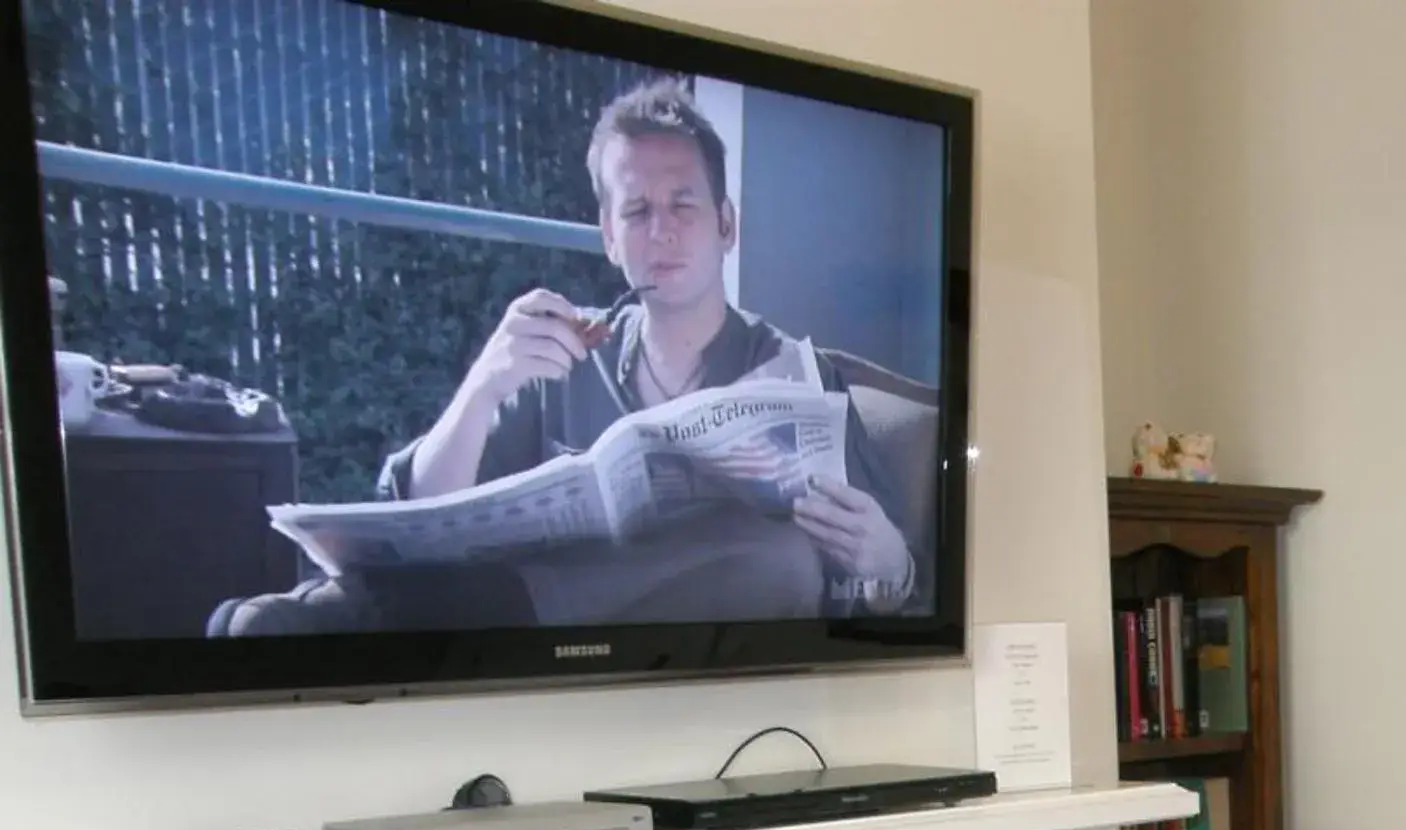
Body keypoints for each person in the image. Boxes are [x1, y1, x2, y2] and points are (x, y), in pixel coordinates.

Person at [217, 80, 922, 635]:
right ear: (609, 236)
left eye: (684, 205)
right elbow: (424, 514)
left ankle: (353, 616)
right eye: (637, 211)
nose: (663, 232)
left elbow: (891, 590)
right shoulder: (564, 353)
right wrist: (483, 390)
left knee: (778, 561)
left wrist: (887, 562)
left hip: (701, 662)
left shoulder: (797, 377)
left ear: (726, 225)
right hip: (551, 674)